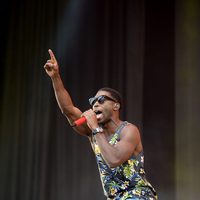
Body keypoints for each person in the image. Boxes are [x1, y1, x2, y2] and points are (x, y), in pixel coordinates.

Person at [44, 49, 158, 200]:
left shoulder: (129, 130)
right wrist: (56, 77)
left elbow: (114, 160)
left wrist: (96, 129)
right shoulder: (93, 132)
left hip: (137, 194)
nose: (95, 104)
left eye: (101, 100)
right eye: (92, 101)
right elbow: (69, 110)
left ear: (116, 106)